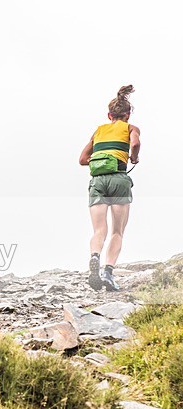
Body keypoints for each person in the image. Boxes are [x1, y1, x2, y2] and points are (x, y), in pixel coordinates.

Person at [78, 85, 140, 292]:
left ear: (109, 115)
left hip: (97, 181)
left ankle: (94, 256)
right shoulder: (131, 128)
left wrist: (102, 161)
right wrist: (133, 157)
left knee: (99, 229)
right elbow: (136, 143)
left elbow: (82, 159)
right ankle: (108, 273)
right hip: (119, 180)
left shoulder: (99, 131)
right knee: (117, 231)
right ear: (128, 115)